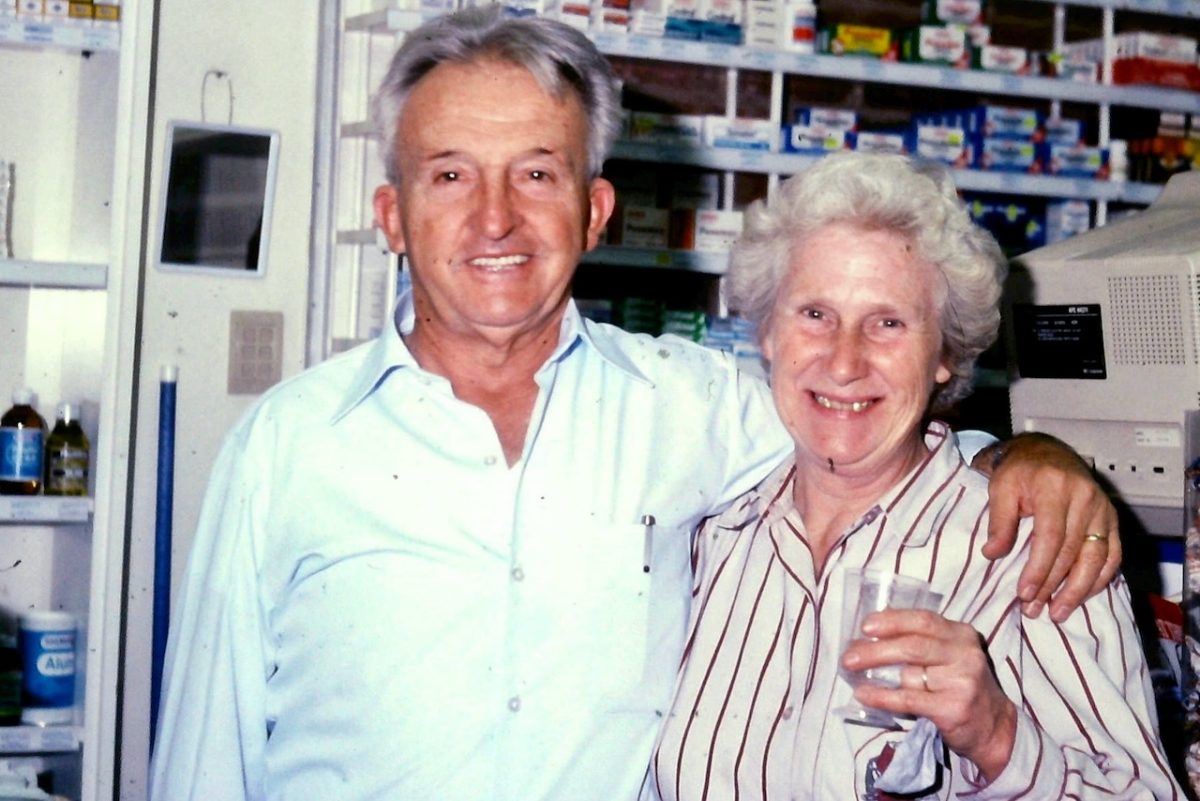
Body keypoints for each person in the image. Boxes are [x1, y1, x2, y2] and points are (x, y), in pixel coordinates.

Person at [148, 7, 1120, 800]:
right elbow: (205, 754)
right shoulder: (290, 443)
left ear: (595, 212)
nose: (496, 219)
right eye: (449, 176)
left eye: (537, 173)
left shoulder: (691, 406)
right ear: (393, 217)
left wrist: (1026, 456)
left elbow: (865, 413)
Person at [648, 151, 1182, 800]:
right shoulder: (711, 543)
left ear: (945, 353)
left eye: (889, 322)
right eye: (814, 314)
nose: (844, 361)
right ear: (766, 334)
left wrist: (998, 738)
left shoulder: (1033, 552)